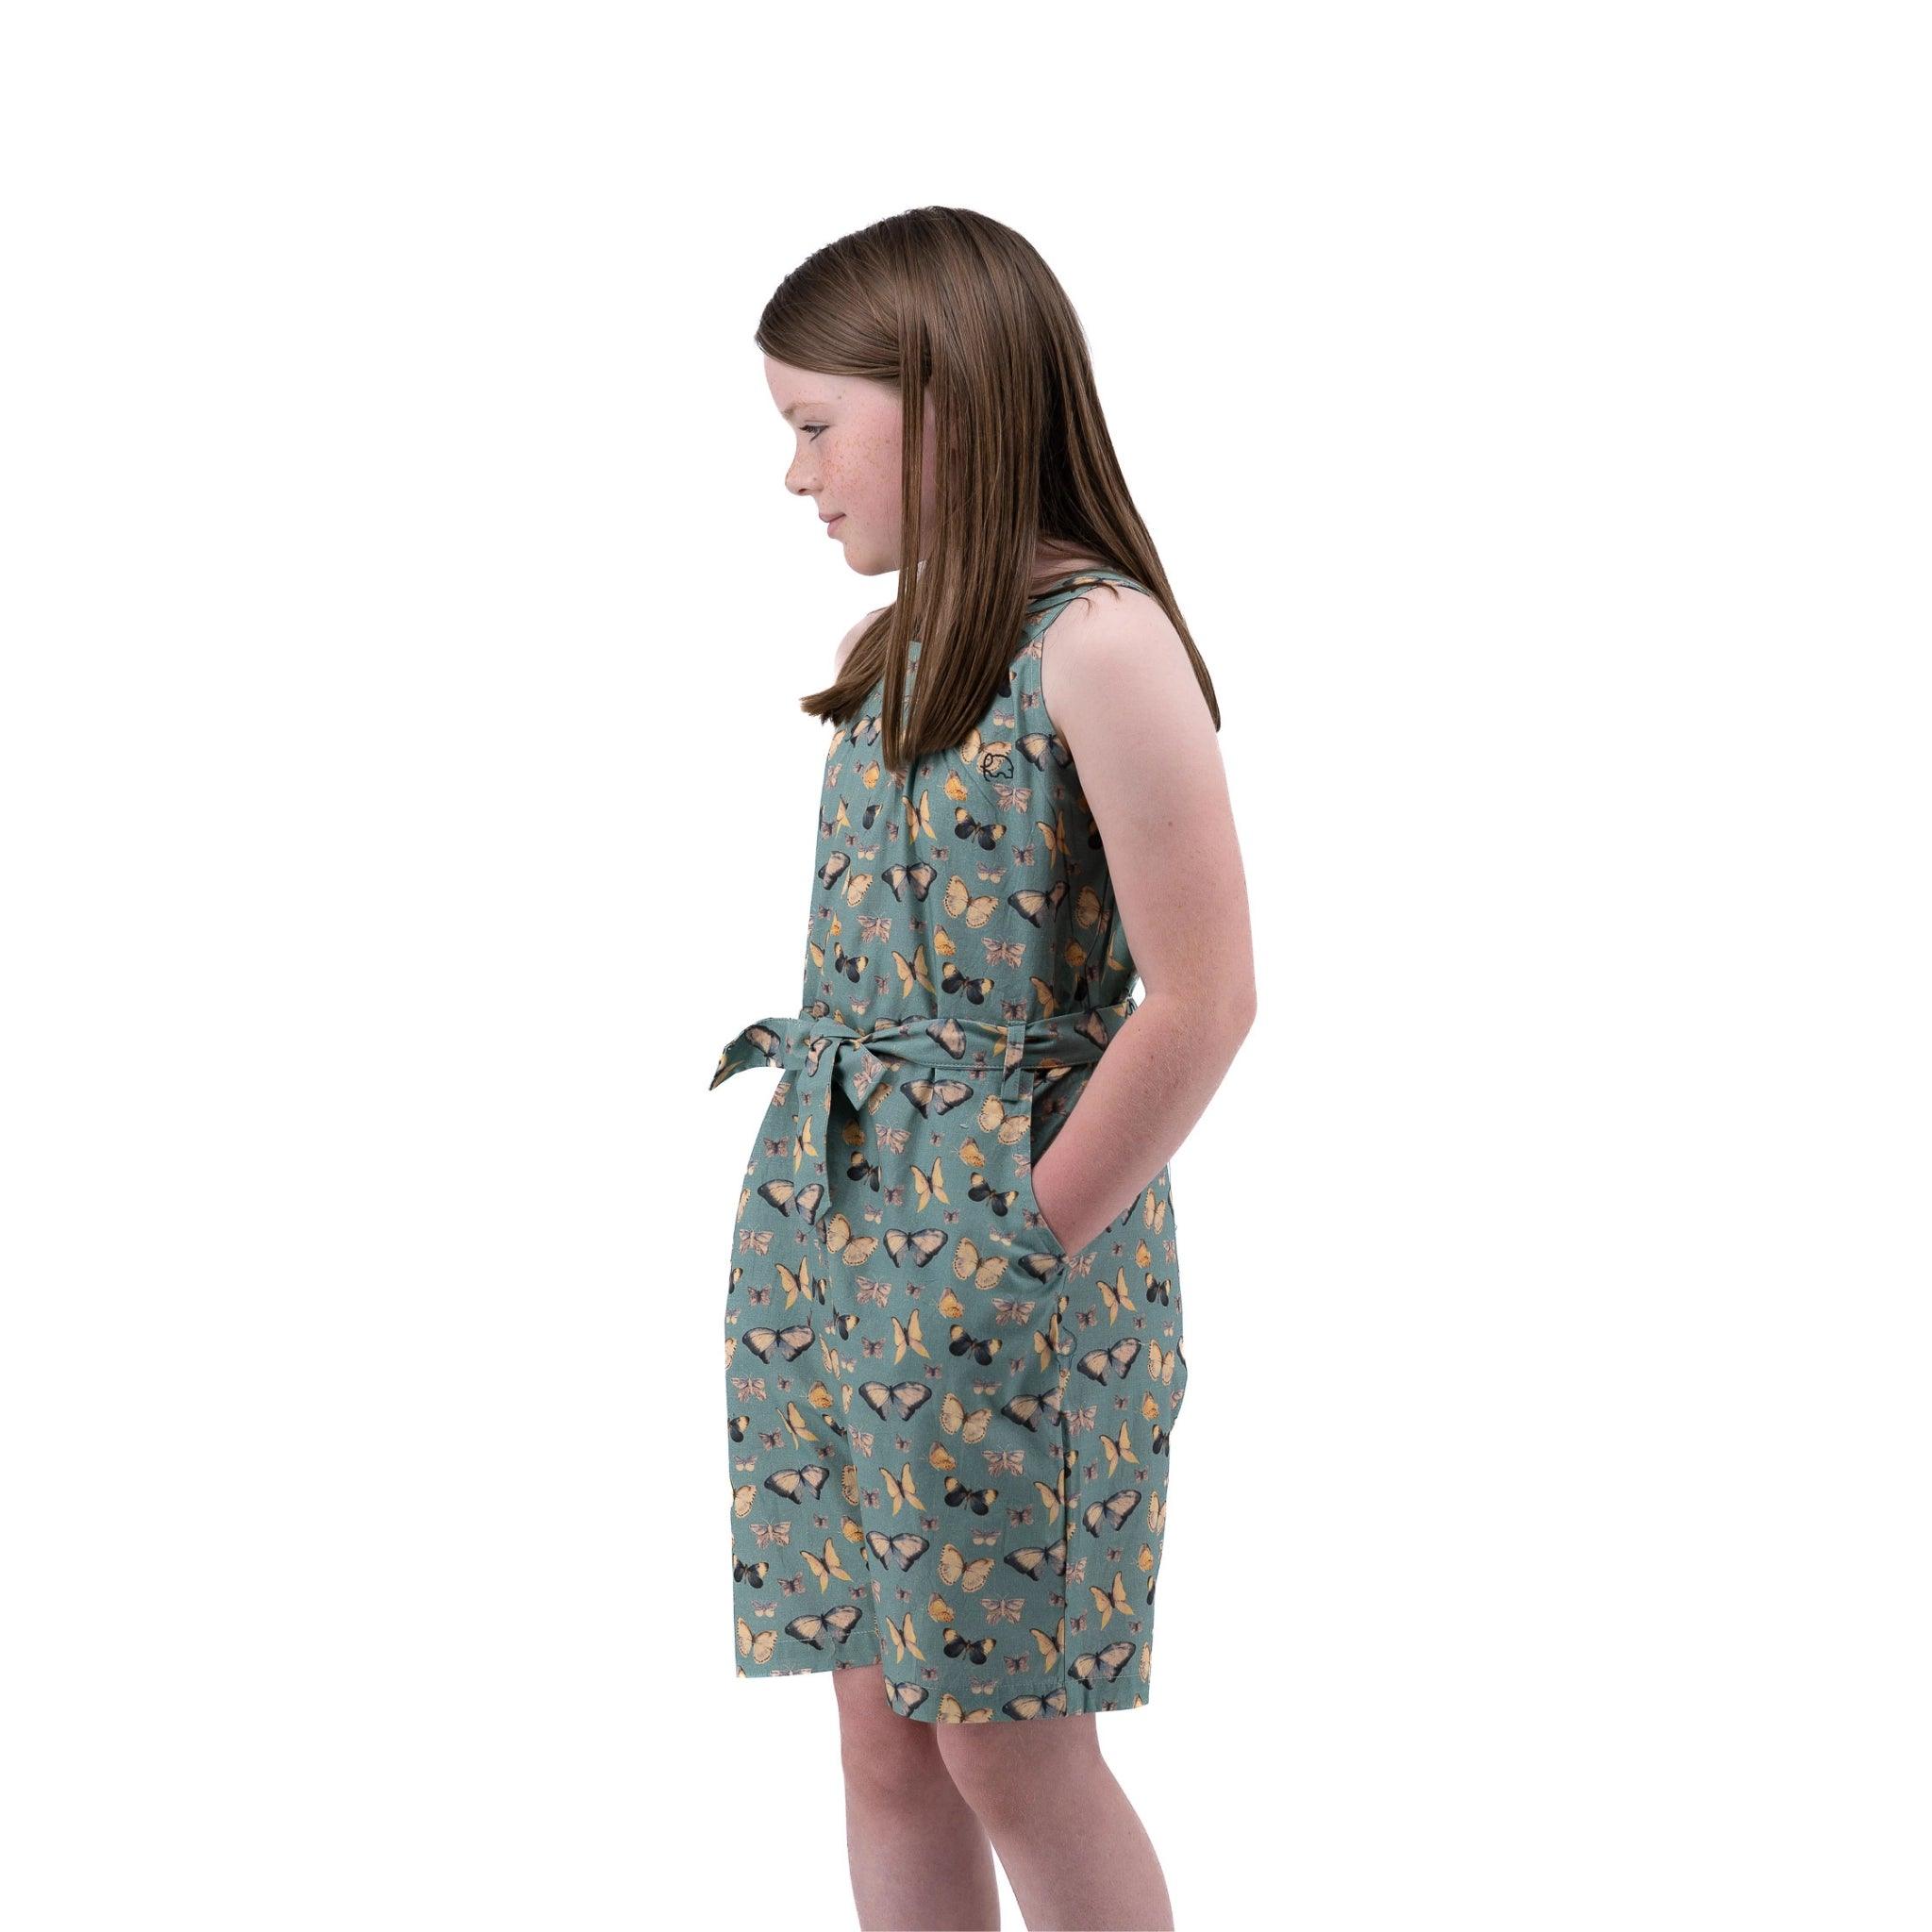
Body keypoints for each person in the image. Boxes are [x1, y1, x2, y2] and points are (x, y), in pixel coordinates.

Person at [708, 207, 1256, 1932]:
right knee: (884, 1738)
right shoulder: (903, 651)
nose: (796, 475)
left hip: (1012, 1272)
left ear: (942, 403)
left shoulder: (1101, 647)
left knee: (1012, 1745)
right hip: (838, 1251)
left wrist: (1023, 1239)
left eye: (816, 424)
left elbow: (1206, 998)